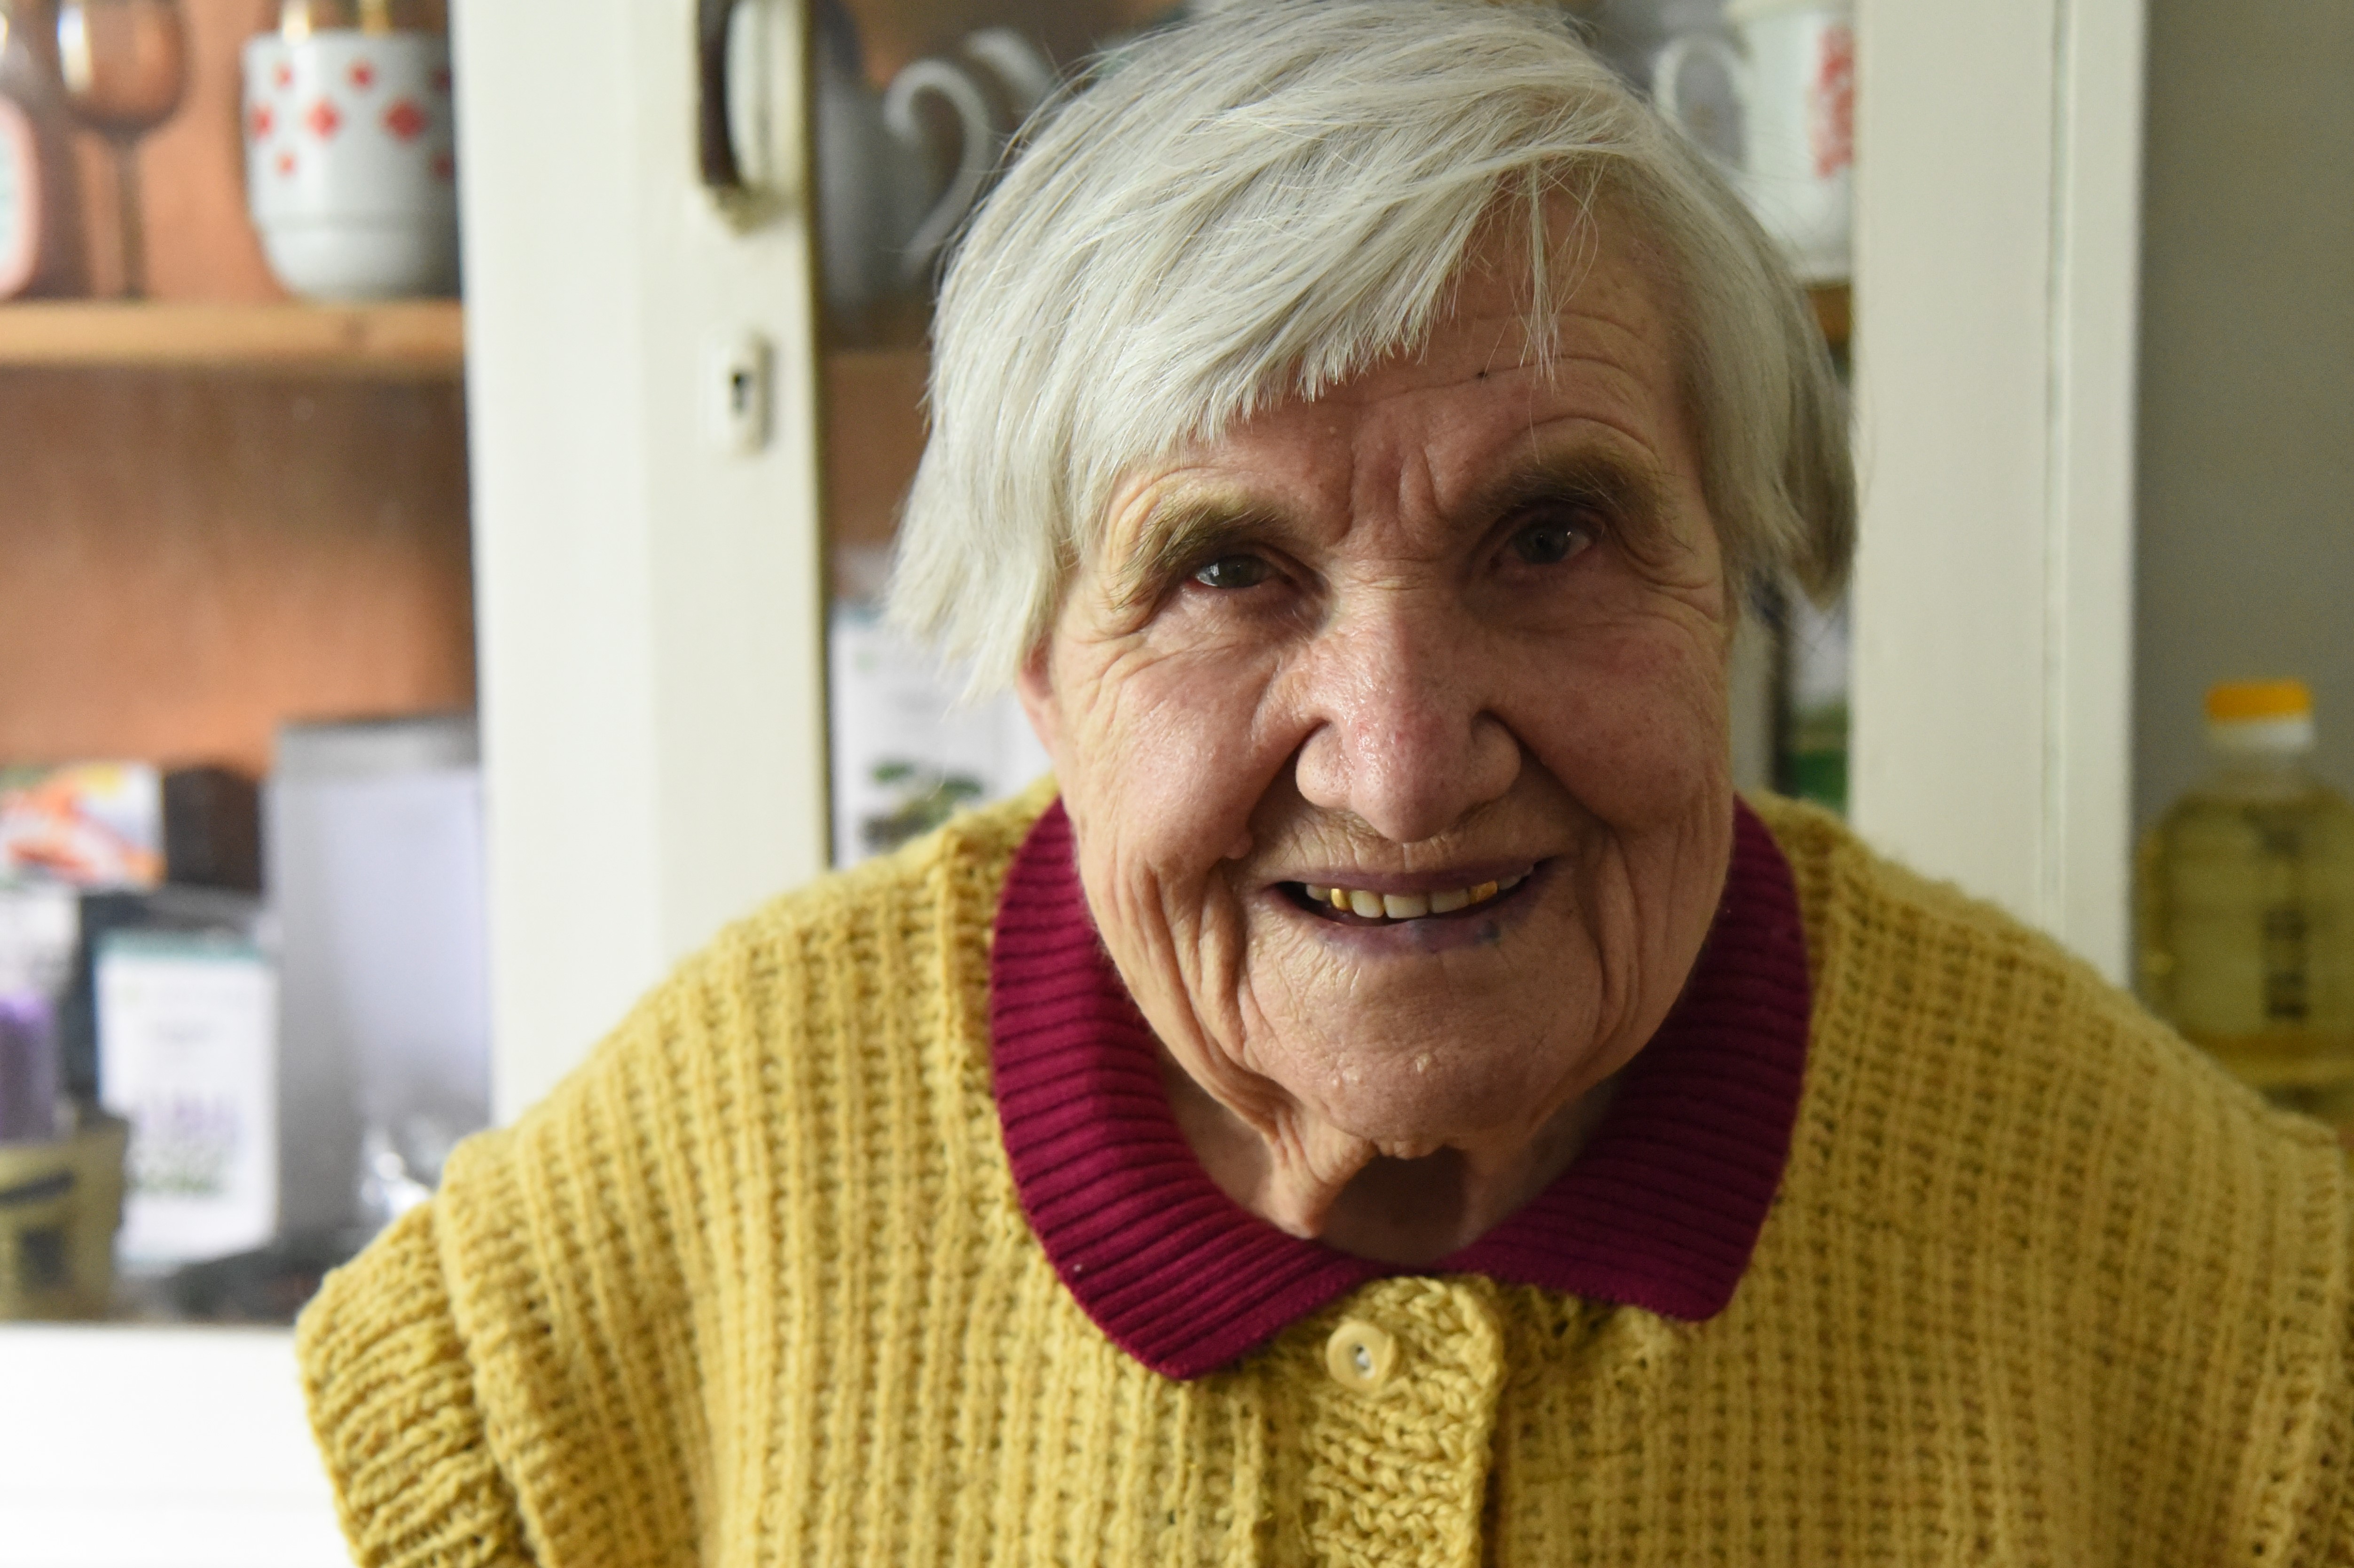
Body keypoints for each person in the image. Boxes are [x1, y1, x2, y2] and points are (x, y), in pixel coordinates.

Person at [297, 4, 2354, 1563]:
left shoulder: (2200, 1287)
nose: (1400, 763)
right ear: (1041, 667)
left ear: (1732, 587)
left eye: (1549, 536)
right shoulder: (686, 1202)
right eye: (1223, 569)